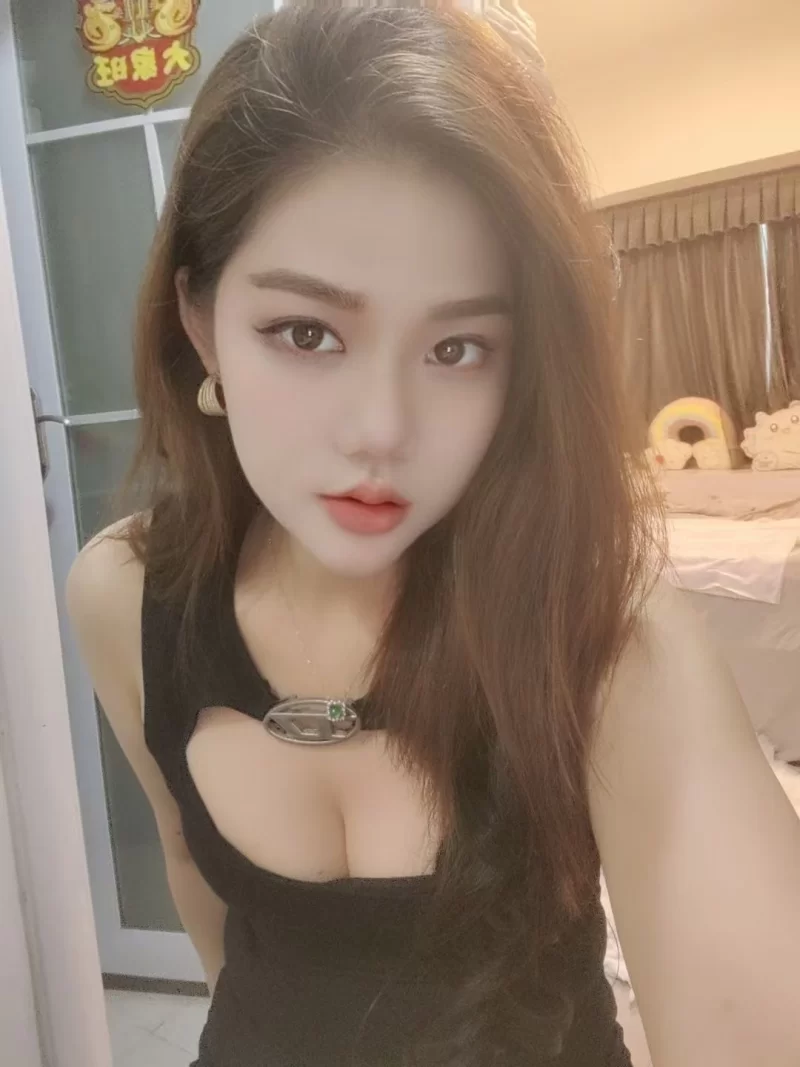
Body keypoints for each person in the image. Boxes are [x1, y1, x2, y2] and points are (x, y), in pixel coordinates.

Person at [66, 4, 800, 1066]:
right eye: (305, 331)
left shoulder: (598, 635)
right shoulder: (123, 595)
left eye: (456, 348)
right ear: (199, 323)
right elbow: (199, 881)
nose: (382, 430)